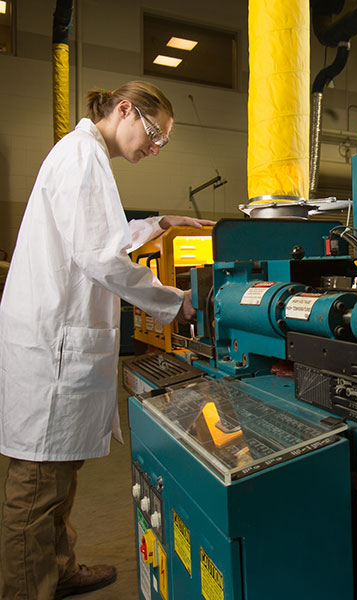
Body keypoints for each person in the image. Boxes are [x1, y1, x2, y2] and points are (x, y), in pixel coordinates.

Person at [0, 81, 214, 600]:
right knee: (35, 488)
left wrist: (159, 223)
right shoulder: (81, 157)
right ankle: (28, 589)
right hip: (50, 348)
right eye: (155, 133)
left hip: (57, 344)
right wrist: (173, 302)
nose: (155, 147)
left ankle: (58, 567)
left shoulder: (86, 157)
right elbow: (99, 256)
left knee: (59, 477)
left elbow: (103, 235)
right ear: (125, 110)